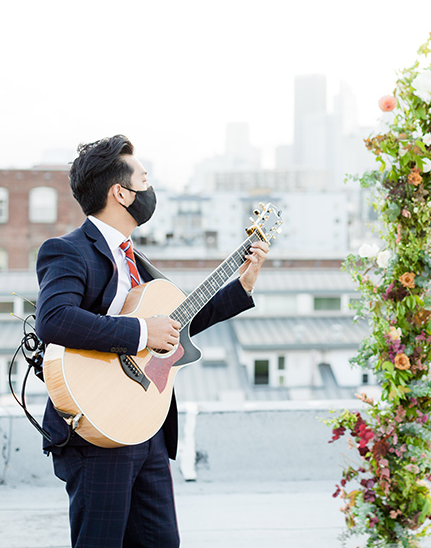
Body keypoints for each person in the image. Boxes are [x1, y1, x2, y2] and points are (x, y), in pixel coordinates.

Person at [35, 135, 269, 548]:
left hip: (147, 423)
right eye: (144, 179)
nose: (150, 189)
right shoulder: (68, 251)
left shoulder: (134, 258)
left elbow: (177, 324)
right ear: (121, 193)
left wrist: (243, 285)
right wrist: (142, 332)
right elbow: (53, 320)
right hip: (97, 426)